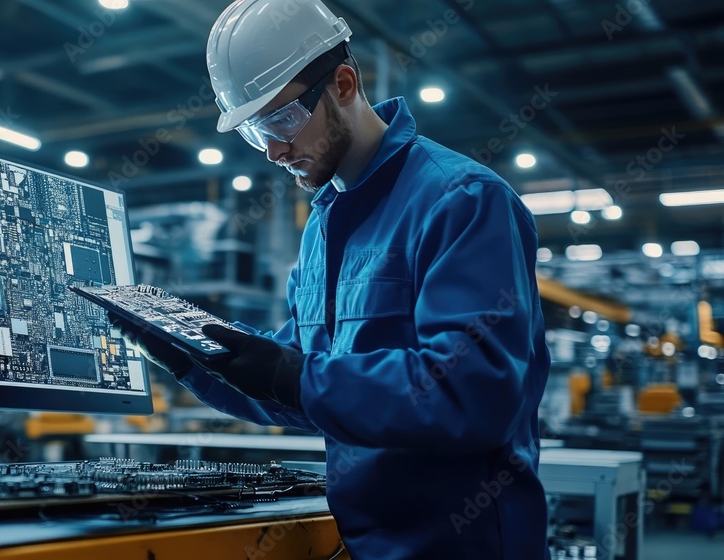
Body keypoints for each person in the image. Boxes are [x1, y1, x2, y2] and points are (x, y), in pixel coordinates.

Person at [113, 0, 551, 557]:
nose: (273, 150)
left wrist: (293, 376)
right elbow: (298, 388)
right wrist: (187, 356)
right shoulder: (320, 227)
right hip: (363, 540)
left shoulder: (462, 201)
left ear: (344, 83)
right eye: (255, 132)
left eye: (280, 119)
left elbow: (471, 393)